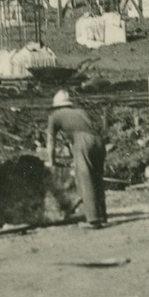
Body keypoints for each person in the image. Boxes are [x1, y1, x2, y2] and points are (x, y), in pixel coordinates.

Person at [45, 90, 107, 229]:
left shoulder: (54, 116)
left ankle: (93, 219)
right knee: (97, 178)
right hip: (99, 141)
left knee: (85, 178)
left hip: (83, 140)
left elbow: (51, 141)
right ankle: (102, 215)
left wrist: (52, 161)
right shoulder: (80, 111)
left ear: (56, 106)